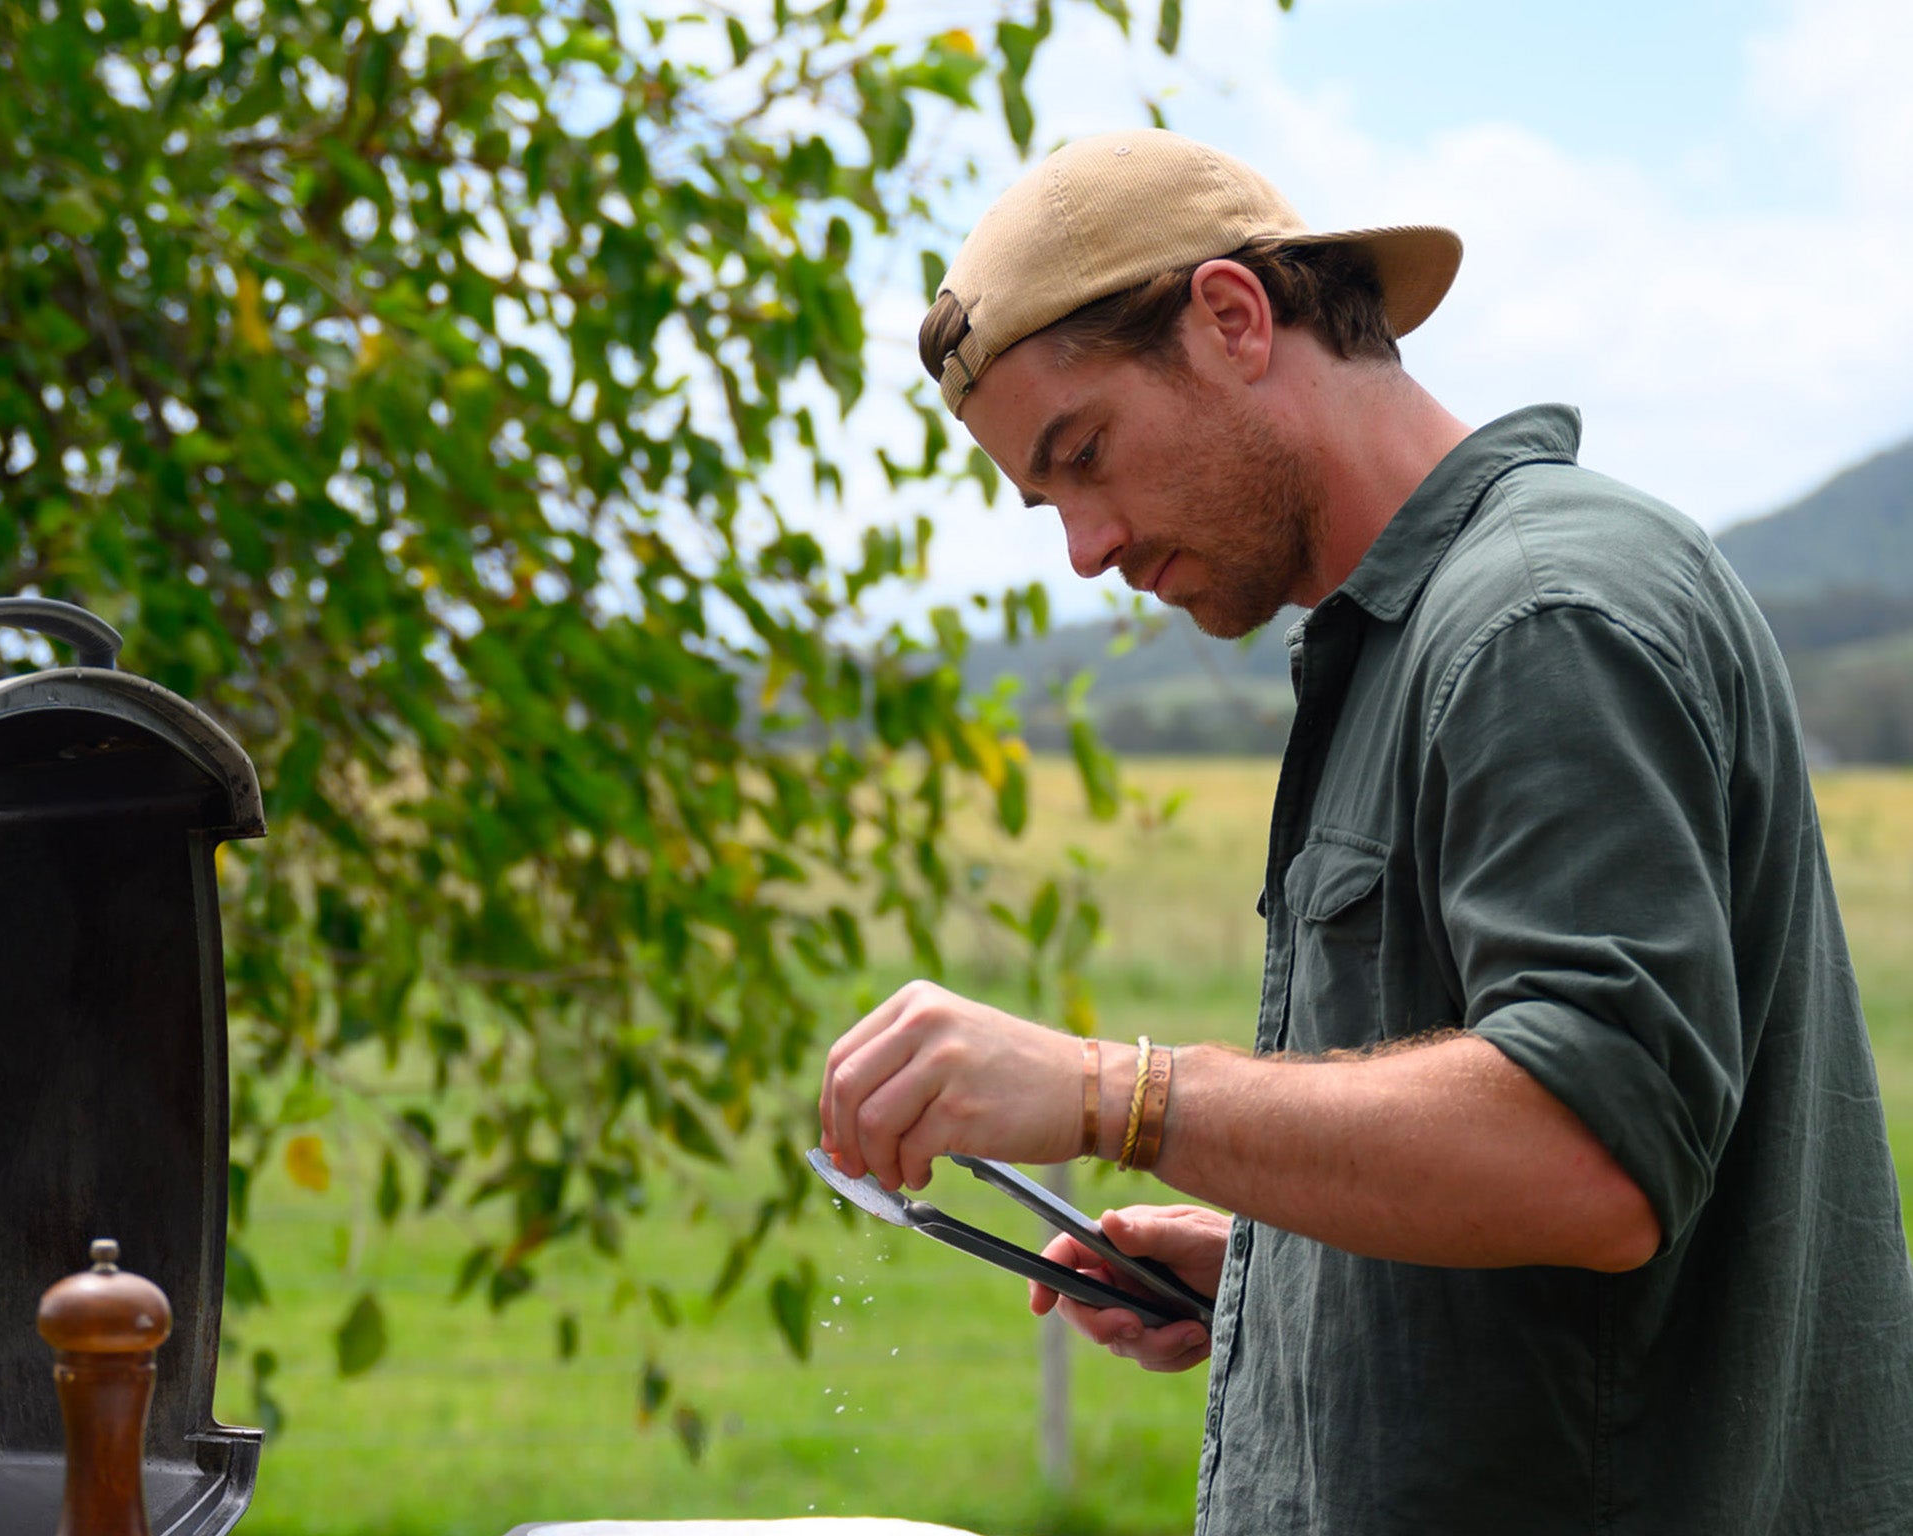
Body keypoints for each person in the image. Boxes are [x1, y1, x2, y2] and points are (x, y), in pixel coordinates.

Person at [814, 128, 1913, 1533]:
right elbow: (1537, 1184)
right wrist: (1289, 1274)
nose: (1086, 547)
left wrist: (1113, 1096)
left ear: (1232, 319)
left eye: (1084, 454)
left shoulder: (1539, 619)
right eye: (1049, 503)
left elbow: (1592, 1151)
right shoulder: (1419, 634)